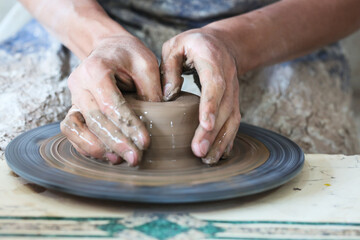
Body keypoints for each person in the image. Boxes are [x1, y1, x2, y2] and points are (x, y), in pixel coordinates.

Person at [19, 0, 360, 166]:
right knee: (20, 141)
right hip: (89, 18)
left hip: (275, 24)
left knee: (317, 164)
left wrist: (232, 42)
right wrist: (99, 39)